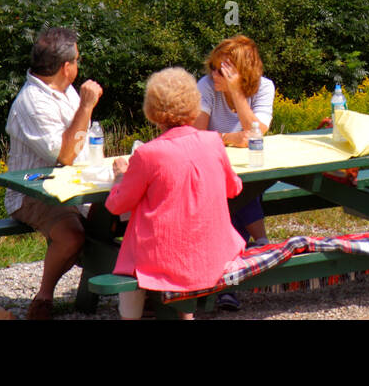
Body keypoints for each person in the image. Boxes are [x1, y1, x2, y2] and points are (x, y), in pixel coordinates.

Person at [106, 67, 245, 320]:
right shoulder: (213, 141)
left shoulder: (147, 154)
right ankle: (185, 315)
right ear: (193, 103)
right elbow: (234, 188)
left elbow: (117, 205)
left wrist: (119, 176)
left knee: (128, 247)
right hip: (212, 253)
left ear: (153, 111)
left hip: (165, 260)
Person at [4, 26, 103, 321]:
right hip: (34, 192)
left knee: (126, 215)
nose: (79, 63)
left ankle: (141, 291)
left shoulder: (63, 90)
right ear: (66, 67)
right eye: (77, 59)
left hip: (76, 184)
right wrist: (86, 105)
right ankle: (44, 298)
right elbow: (64, 155)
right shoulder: (32, 103)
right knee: (72, 237)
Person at [193, 35, 275, 245]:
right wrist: (230, 138)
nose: (213, 74)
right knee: (237, 185)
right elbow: (196, 135)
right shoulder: (206, 86)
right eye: (212, 67)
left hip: (246, 166)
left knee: (242, 185)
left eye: (221, 71)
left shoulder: (264, 88)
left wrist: (236, 92)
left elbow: (257, 132)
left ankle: (248, 244)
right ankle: (261, 243)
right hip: (211, 167)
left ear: (241, 72)